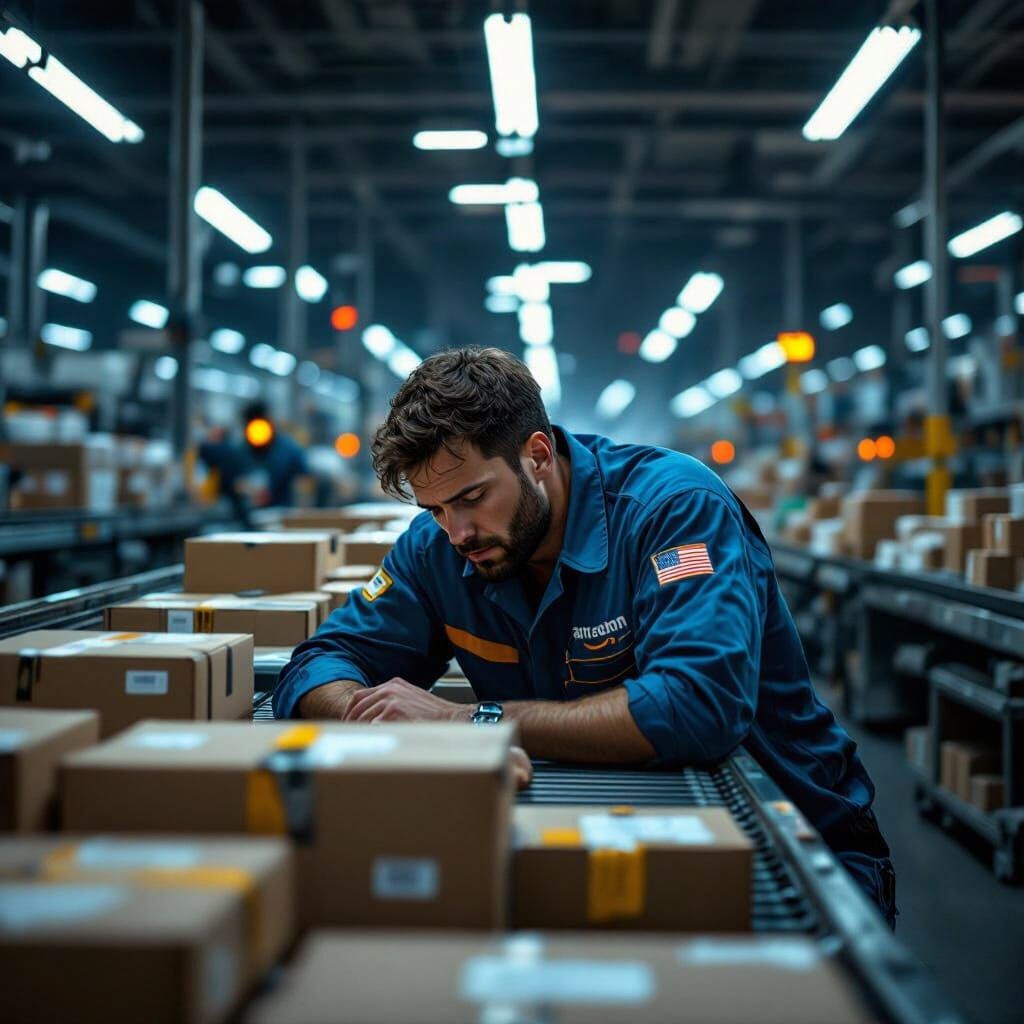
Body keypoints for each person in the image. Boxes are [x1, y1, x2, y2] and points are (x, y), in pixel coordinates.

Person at [275, 347, 896, 927]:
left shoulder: (671, 510)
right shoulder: (438, 548)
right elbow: (321, 661)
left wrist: (472, 723)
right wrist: (369, 714)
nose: (458, 532)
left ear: (538, 456)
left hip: (794, 843)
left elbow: (698, 705)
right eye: (435, 510)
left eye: (472, 498)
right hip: (591, 835)